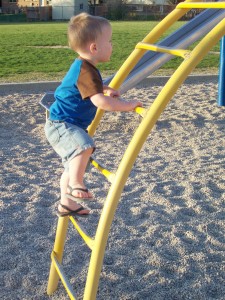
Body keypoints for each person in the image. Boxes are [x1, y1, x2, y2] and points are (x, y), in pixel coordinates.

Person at [44, 13, 142, 218]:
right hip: (63, 124)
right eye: (109, 41)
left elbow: (89, 89)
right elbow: (101, 103)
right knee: (85, 146)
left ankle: (67, 203)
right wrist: (128, 106)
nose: (112, 45)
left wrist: (103, 87)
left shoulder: (84, 66)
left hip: (63, 123)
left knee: (72, 166)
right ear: (94, 48)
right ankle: (76, 185)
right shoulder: (86, 70)